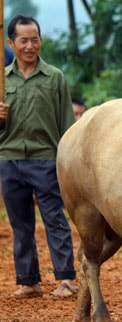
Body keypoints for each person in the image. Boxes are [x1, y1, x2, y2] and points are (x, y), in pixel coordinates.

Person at [0, 15, 78, 299]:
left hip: (45, 159)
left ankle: (67, 279)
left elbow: (67, 126)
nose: (30, 46)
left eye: (35, 39)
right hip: (9, 159)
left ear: (40, 41)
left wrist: (67, 162)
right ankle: (28, 281)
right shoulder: (1, 79)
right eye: (23, 40)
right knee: (20, 224)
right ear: (11, 43)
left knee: (54, 219)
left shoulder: (55, 77)